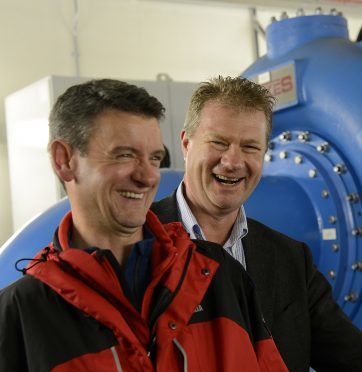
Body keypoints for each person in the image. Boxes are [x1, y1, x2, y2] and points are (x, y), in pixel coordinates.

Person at [0, 79, 287, 371]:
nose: (148, 177)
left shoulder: (219, 276)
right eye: (125, 155)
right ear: (64, 160)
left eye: (154, 159)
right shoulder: (19, 315)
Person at [152, 76, 362, 371]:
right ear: (186, 144)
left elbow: (357, 358)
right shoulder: (134, 246)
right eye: (219, 142)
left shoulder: (290, 260)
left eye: (250, 147)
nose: (233, 162)